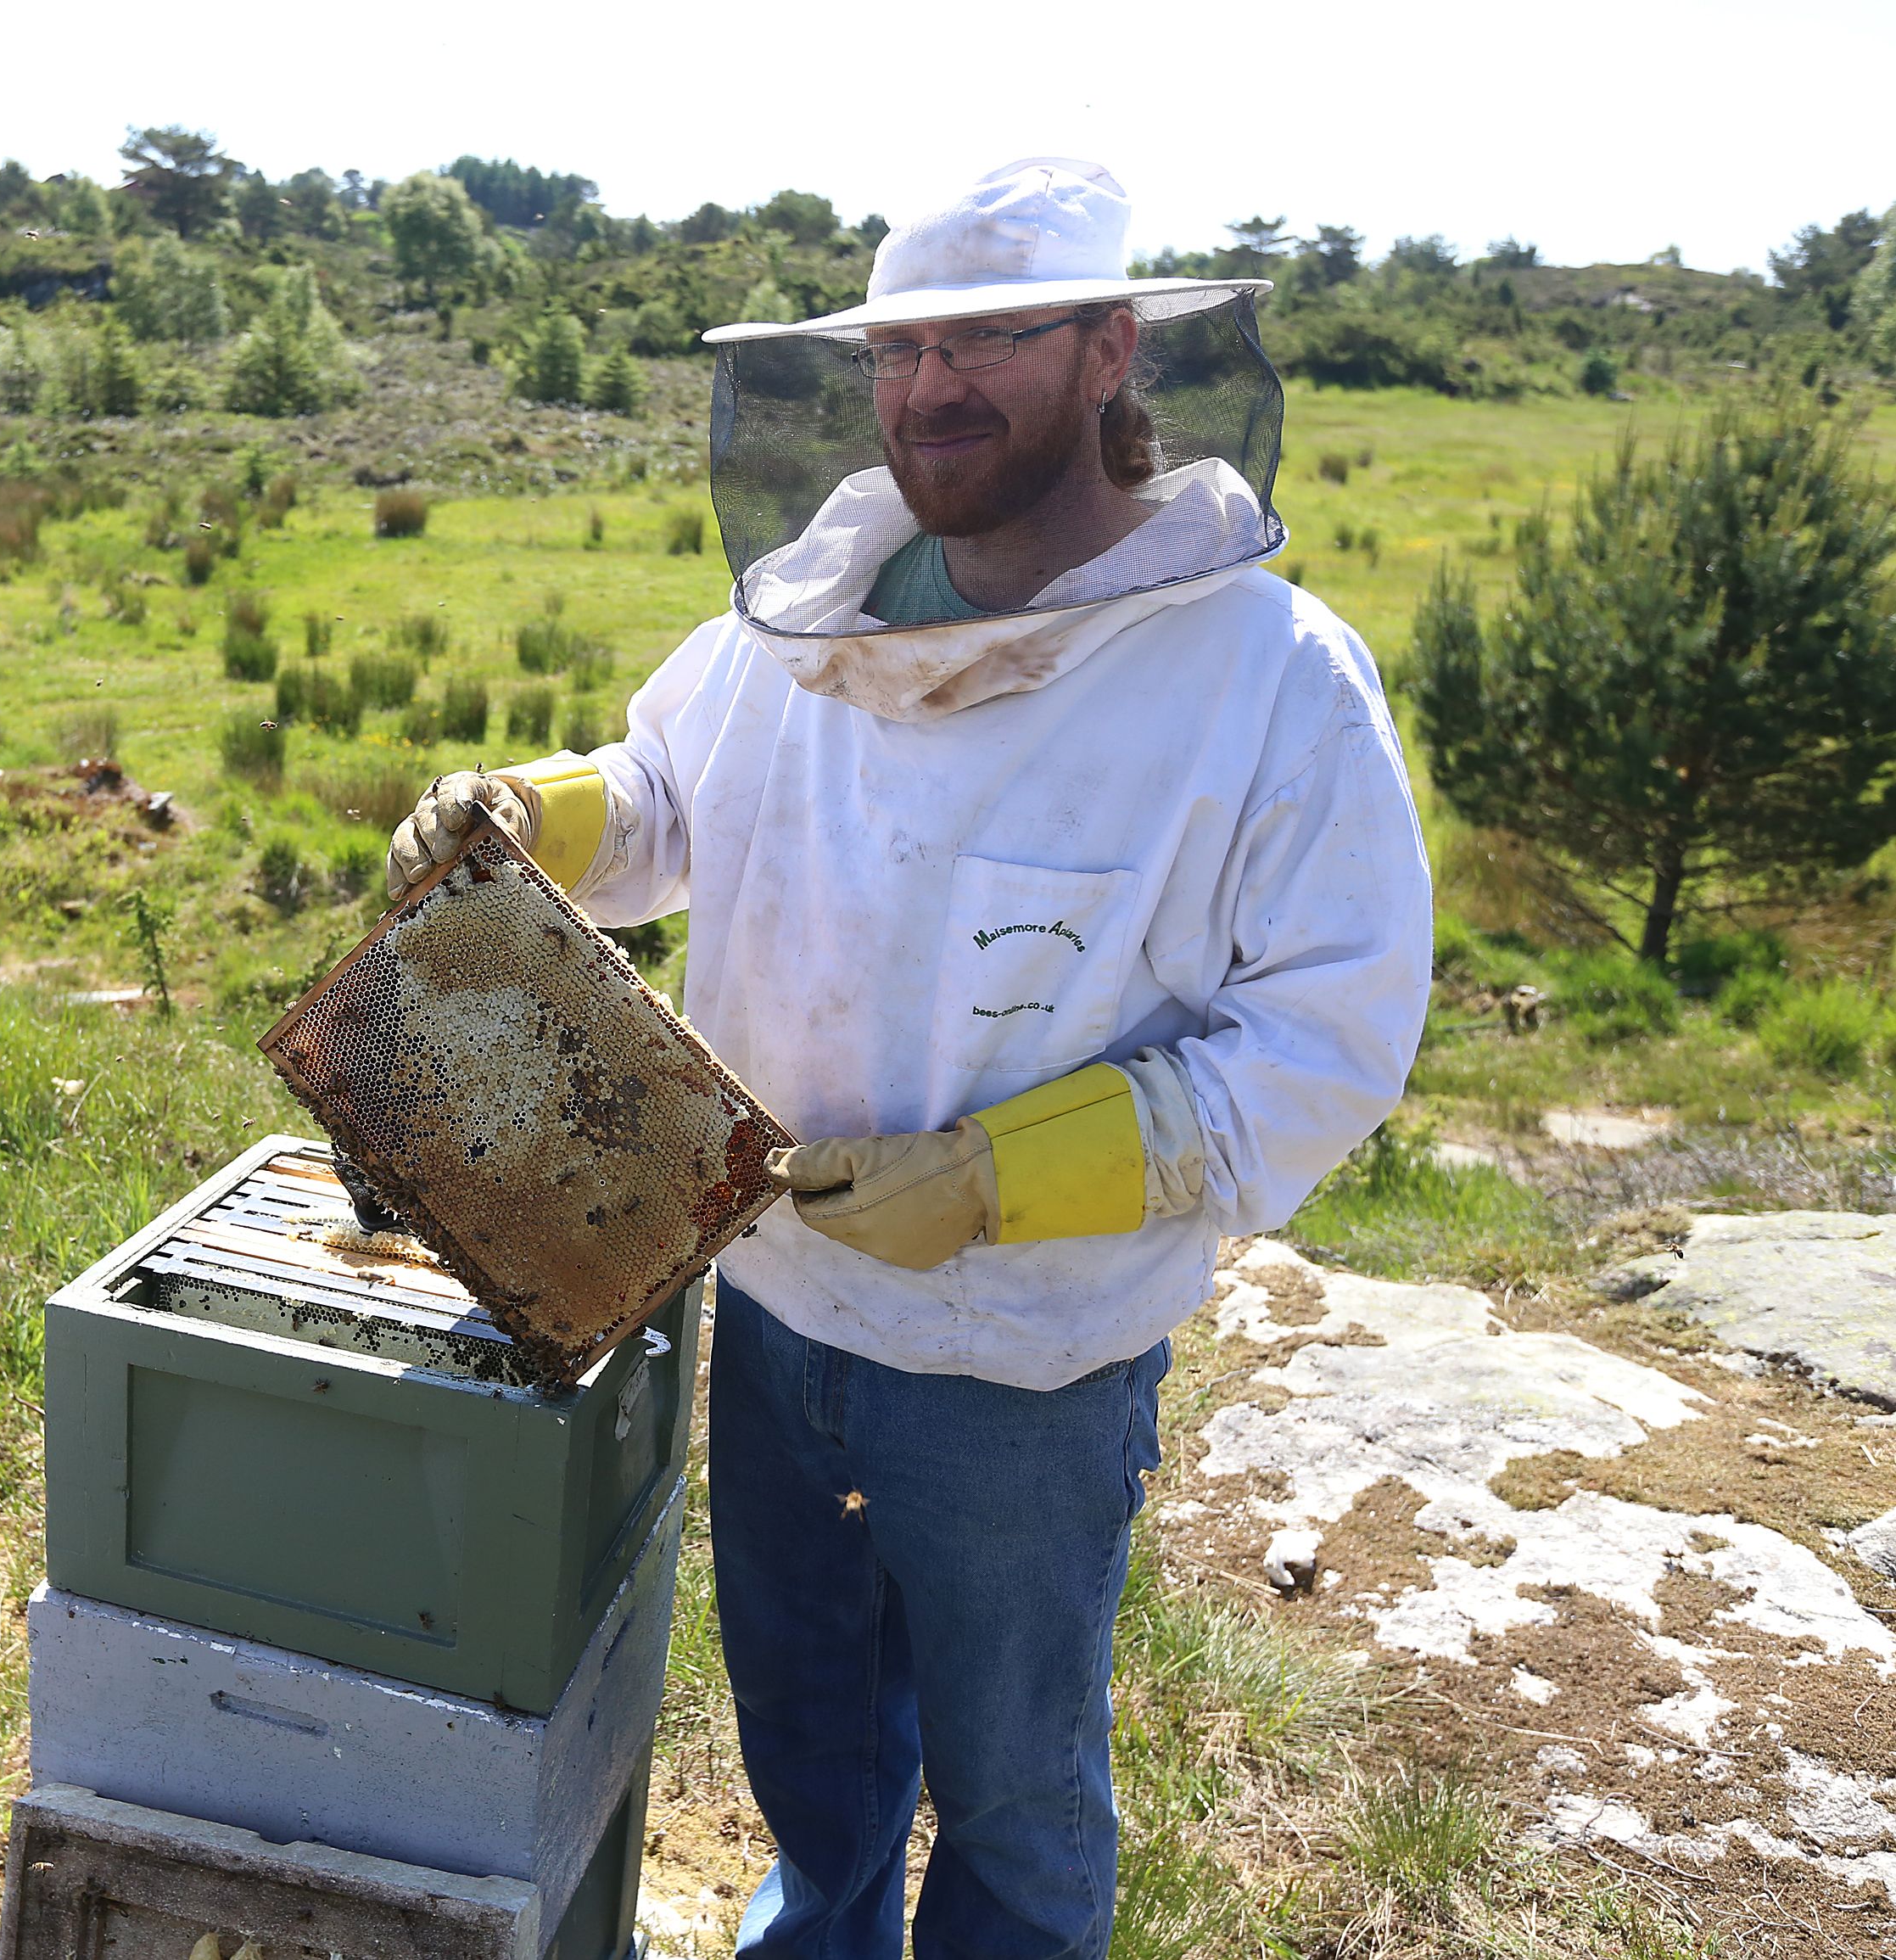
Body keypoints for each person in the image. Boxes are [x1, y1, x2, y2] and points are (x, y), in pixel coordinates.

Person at [390, 159, 1429, 1959]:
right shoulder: (808, 607)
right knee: (811, 1750)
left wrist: (1005, 1179)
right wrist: (535, 814)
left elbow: (1324, 1039)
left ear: (1109, 350)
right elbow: (667, 799)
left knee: (1013, 1799)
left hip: (1020, 1365)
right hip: (773, 1299)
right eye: (896, 351)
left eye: (987, 340)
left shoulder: (1265, 679)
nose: (928, 387)